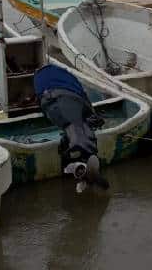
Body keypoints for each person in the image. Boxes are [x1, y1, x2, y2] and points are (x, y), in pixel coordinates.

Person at [34, 63, 108, 192]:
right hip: (71, 100)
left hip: (51, 103)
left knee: (72, 127)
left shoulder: (41, 80)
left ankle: (77, 160)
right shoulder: (66, 80)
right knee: (77, 126)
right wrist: (93, 115)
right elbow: (86, 105)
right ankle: (84, 156)